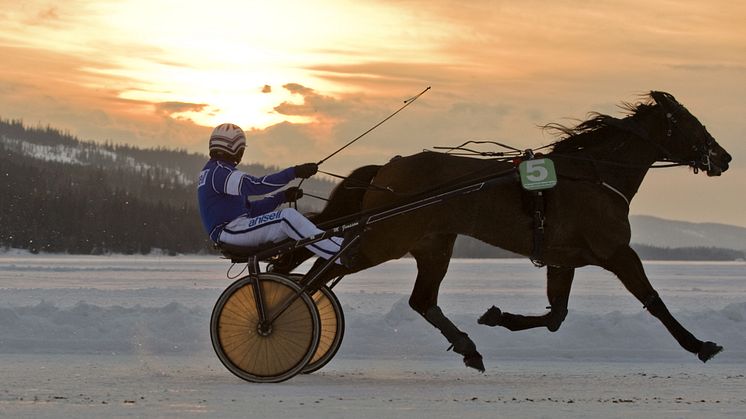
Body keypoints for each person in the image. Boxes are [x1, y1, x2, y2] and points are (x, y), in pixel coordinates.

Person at [197, 123, 342, 260]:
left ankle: (333, 245)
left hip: (234, 230)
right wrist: (294, 172)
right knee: (287, 217)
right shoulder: (219, 172)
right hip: (230, 231)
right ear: (234, 148)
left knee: (294, 220)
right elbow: (258, 186)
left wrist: (281, 197)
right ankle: (338, 252)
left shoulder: (215, 171)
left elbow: (251, 211)